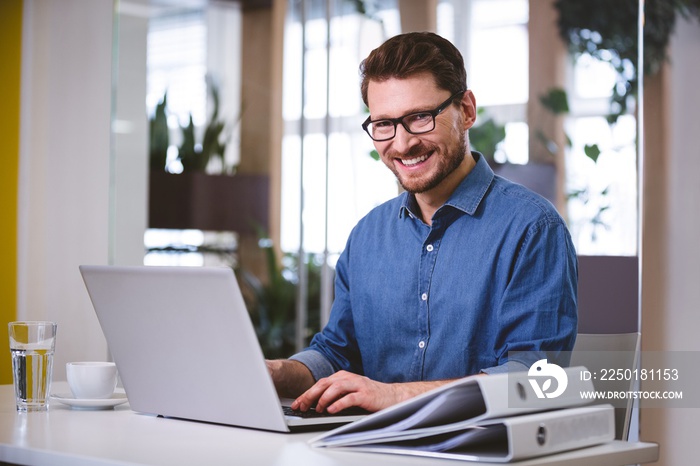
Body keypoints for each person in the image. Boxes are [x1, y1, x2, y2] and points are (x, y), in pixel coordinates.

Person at [267, 32, 577, 416]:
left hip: (483, 453)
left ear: (466, 110)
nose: (401, 144)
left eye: (419, 118)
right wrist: (275, 372)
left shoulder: (532, 228)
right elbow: (336, 353)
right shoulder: (366, 236)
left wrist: (393, 396)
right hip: (366, 451)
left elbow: (535, 380)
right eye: (384, 124)